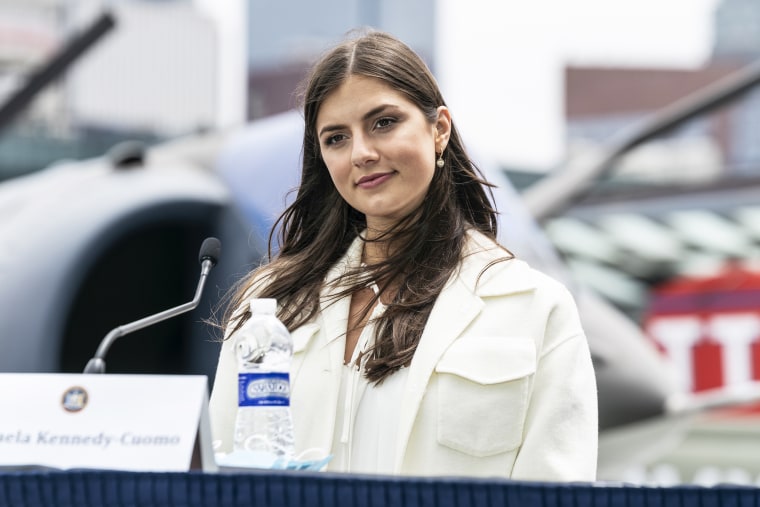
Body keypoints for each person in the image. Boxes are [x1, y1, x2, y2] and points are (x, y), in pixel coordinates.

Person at [209, 29, 597, 481]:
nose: (362, 153)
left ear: (440, 130)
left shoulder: (532, 306)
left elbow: (557, 489)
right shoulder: (272, 308)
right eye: (336, 138)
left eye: (384, 122)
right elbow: (222, 473)